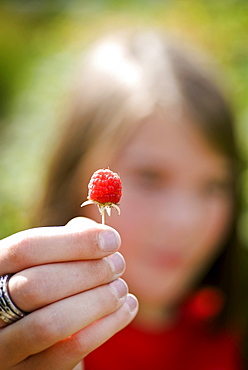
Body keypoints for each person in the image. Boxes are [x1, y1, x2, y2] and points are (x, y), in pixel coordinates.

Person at [0, 29, 246, 369]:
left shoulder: (232, 334)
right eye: (150, 177)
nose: (183, 220)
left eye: (214, 185)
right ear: (74, 172)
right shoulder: (33, 345)